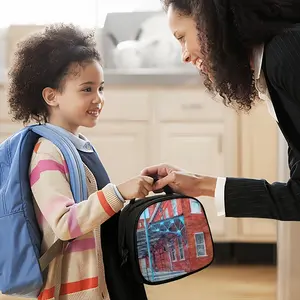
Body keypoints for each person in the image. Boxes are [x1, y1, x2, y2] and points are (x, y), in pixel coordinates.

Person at [8, 24, 153, 300]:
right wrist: (120, 192)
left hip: (105, 273)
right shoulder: (47, 154)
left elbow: (97, 211)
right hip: (78, 286)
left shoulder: (78, 145)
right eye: (86, 89)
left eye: (100, 88)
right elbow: (64, 223)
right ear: (52, 96)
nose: (98, 99)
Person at [142, 0, 300, 221]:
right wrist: (199, 184)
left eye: (182, 38)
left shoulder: (287, 55)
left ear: (211, 23)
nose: (184, 56)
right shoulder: (274, 60)